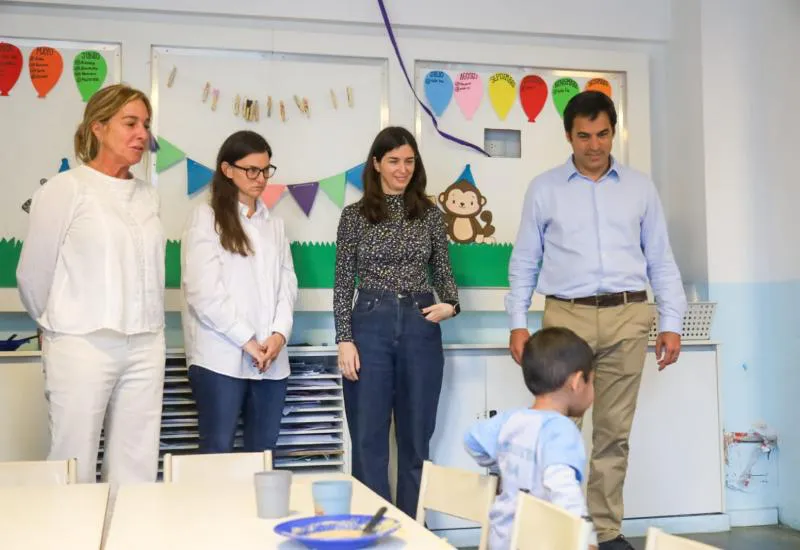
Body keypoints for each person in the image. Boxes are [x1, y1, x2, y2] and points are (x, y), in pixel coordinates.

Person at [505, 90, 687, 549]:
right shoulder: (544, 188)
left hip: (629, 315)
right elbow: (525, 259)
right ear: (568, 136)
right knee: (559, 430)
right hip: (566, 318)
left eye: (603, 134)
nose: (594, 145)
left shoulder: (640, 188)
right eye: (584, 136)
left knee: (614, 433)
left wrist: (672, 321)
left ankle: (603, 531)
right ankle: (559, 529)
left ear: (613, 132)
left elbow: (661, 259)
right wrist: (517, 322)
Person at [16, 84, 165, 486]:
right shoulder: (65, 189)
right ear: (98, 128)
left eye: (145, 125)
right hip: (81, 342)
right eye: (130, 123)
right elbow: (33, 274)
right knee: (73, 459)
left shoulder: (148, 196)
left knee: (137, 462)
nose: (141, 134)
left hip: (146, 343)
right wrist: (56, 326)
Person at [334, 126, 460, 516]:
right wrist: (344, 338)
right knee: (369, 438)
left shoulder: (429, 215)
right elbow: (342, 281)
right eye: (393, 161)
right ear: (376, 164)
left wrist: (451, 305)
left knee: (416, 438)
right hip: (369, 323)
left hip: (421, 323)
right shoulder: (354, 215)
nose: (402, 169)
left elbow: (444, 273)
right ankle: (375, 533)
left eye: (409, 161)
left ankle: (412, 532)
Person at [181, 130, 297, 454]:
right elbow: (203, 291)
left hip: (270, 358)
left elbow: (287, 284)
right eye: (252, 170)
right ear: (227, 169)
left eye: (265, 170)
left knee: (262, 457)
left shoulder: (274, 225)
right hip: (221, 357)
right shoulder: (205, 218)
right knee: (217, 453)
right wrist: (247, 340)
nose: (260, 178)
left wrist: (278, 335)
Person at [465, 327, 598, 550]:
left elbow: (472, 440)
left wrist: (501, 466)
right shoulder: (562, 431)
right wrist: (586, 541)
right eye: (591, 382)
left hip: (501, 539)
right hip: (538, 542)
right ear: (576, 382)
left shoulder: (511, 419)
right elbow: (563, 489)